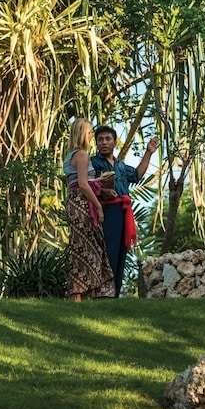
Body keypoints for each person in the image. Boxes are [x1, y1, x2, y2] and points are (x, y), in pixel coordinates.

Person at [91, 125, 159, 297]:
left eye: (108, 139)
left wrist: (149, 152)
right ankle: (102, 293)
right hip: (105, 211)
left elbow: (136, 175)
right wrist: (103, 192)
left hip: (123, 211)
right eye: (100, 139)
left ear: (114, 142)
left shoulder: (120, 165)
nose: (104, 142)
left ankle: (115, 292)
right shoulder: (93, 163)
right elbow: (88, 184)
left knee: (122, 251)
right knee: (108, 250)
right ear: (96, 143)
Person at [63, 119, 115, 302]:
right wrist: (99, 206)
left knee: (82, 247)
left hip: (72, 203)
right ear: (84, 134)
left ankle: (87, 293)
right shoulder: (83, 155)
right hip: (84, 204)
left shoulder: (69, 156)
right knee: (91, 248)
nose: (93, 136)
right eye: (91, 132)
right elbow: (84, 185)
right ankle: (78, 293)